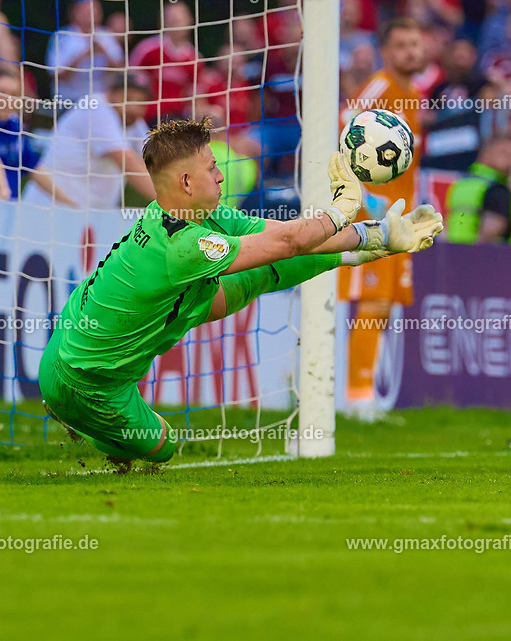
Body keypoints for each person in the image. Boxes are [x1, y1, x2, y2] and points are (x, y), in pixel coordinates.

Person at [38, 118, 443, 465]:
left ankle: (83, 412)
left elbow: (283, 238)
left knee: (249, 279)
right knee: (162, 447)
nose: (221, 175)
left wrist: (377, 236)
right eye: (212, 167)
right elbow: (289, 243)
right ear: (186, 182)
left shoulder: (195, 216)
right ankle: (79, 418)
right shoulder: (181, 246)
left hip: (73, 335)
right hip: (87, 382)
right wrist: (340, 210)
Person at [338, 17, 424, 417]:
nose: (410, 52)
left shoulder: (415, 94)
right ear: (386, 51)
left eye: (415, 44)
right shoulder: (380, 85)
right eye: (402, 45)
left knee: (385, 305)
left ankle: (364, 391)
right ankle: (356, 397)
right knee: (371, 303)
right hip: (370, 215)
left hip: (399, 216)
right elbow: (345, 126)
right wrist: (365, 194)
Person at [25, 74, 154, 209]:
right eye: (128, 98)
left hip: (88, 213)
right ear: (111, 93)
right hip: (50, 206)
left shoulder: (133, 121)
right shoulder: (95, 108)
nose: (133, 107)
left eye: (140, 102)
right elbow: (127, 162)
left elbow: (154, 161)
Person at [0, 73, 73, 204]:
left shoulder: (15, 124)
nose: (7, 98)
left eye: (14, 94)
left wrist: (65, 200)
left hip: (7, 207)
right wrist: (2, 190)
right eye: (2, 92)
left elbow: (33, 168)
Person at [445, 134, 511, 247]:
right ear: (486, 153)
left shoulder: (461, 185)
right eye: (505, 154)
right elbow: (493, 228)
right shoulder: (498, 189)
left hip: (456, 250)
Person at [45, 0, 124, 103]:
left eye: (94, 9)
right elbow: (57, 76)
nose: (91, 14)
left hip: (101, 99)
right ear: (74, 13)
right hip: (69, 100)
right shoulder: (62, 37)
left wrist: (104, 53)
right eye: (86, 10)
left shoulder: (106, 36)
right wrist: (84, 56)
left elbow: (121, 71)